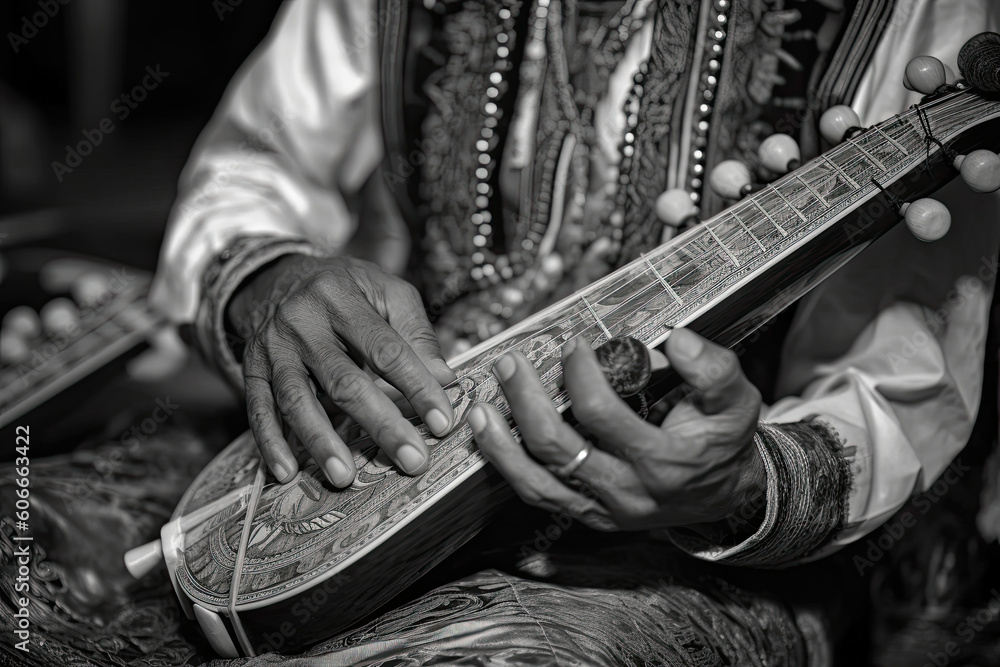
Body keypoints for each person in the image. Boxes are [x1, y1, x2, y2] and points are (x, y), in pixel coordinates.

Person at [150, 0, 1000, 661]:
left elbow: (902, 381)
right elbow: (258, 162)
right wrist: (266, 279)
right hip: (380, 456)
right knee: (31, 554)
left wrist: (739, 483)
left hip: (697, 553)